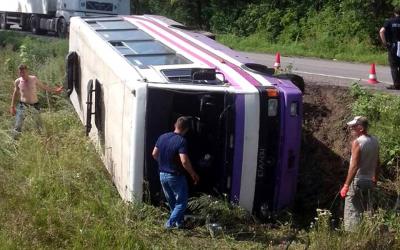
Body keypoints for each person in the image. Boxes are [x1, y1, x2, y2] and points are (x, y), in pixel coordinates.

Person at [152, 116, 200, 229]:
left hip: (162, 175)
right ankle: (169, 224)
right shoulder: (182, 141)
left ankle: (179, 223)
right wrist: (193, 173)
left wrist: (163, 163)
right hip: (175, 176)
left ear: (175, 125)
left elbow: (154, 154)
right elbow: (184, 161)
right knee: (182, 203)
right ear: (186, 129)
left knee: (172, 202)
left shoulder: (162, 137)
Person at [340, 116, 380, 231]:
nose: (351, 128)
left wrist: (346, 185)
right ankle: (366, 237)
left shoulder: (357, 142)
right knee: (366, 212)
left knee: (352, 213)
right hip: (369, 182)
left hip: (357, 181)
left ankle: (353, 240)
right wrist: (375, 179)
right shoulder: (375, 141)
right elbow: (378, 163)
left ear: (361, 128)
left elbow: (354, 166)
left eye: (354, 127)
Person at [9, 64, 63, 134]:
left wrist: (55, 90)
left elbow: (44, 87)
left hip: (34, 105)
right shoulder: (17, 81)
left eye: (24, 72)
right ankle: (15, 141)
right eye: (20, 72)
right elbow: (15, 92)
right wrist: (12, 106)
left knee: (38, 125)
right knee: (18, 125)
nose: (22, 74)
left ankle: (42, 139)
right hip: (23, 105)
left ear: (27, 71)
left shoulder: (33, 79)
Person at [380, 8, 400, 90]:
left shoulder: (389, 21)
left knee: (394, 66)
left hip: (393, 46)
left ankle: (397, 85)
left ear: (395, 13)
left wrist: (385, 43)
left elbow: (381, 31)